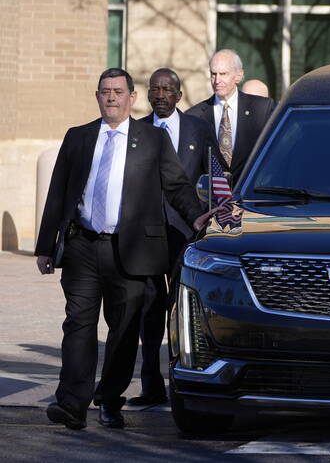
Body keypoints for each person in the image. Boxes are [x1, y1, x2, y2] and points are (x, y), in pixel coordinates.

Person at [35, 68, 216, 430]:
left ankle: (110, 399)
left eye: (118, 91)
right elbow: (58, 192)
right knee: (78, 324)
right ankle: (71, 403)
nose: (112, 97)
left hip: (131, 250)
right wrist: (46, 246)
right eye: (105, 92)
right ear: (98, 96)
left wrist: (196, 217)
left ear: (132, 97)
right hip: (84, 246)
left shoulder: (151, 139)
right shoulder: (79, 137)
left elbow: (177, 185)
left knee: (124, 329)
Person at [129, 68, 216, 406]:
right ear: (148, 95)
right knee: (148, 311)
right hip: (146, 238)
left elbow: (216, 174)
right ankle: (150, 385)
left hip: (185, 236)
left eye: (167, 89)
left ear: (179, 96)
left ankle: (182, 384)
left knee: (181, 311)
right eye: (155, 89)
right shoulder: (137, 132)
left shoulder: (198, 129)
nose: (161, 95)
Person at [187, 49, 275, 181]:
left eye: (223, 74)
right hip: (211, 199)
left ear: (239, 76)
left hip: (251, 196)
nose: (217, 80)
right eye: (213, 74)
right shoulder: (194, 116)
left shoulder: (261, 109)